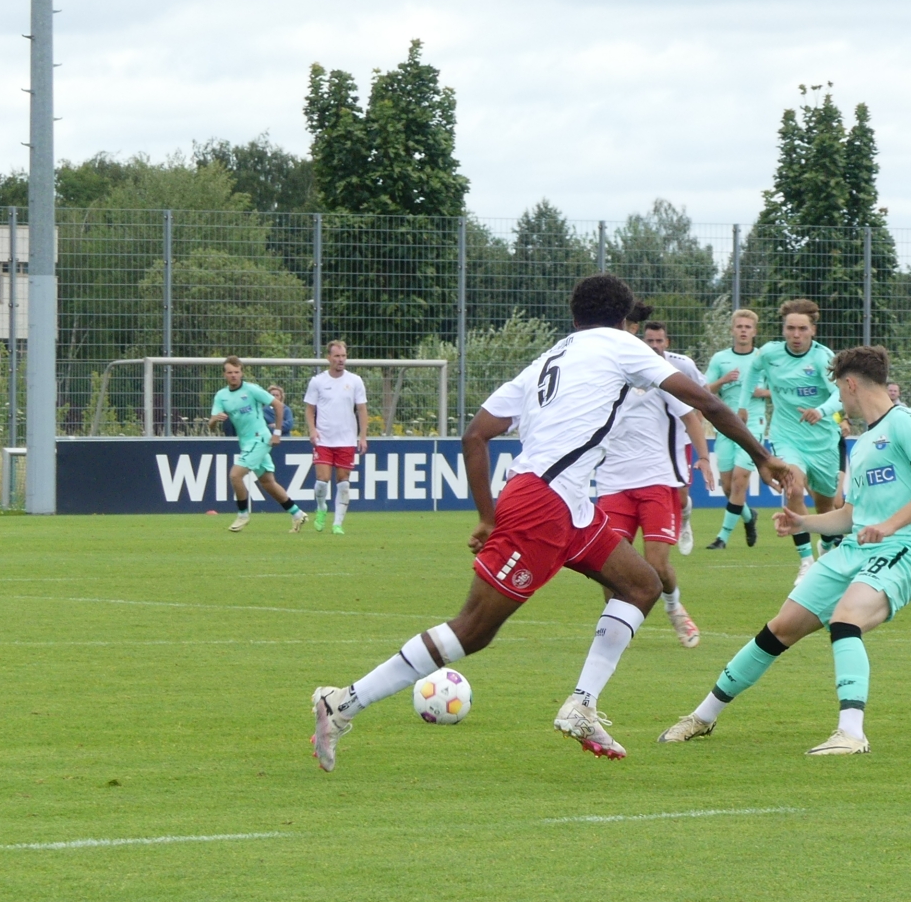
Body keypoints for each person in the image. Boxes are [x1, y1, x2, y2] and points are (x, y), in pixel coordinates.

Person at [310, 274, 790, 769]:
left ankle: (582, 704)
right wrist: (762, 457)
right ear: (623, 321)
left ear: (575, 316)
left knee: (641, 585)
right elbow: (706, 402)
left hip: (570, 504)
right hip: (542, 505)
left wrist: (486, 516)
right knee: (473, 629)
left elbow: (475, 436)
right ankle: (342, 703)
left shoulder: (547, 360)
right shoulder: (621, 345)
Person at [658, 344, 911, 756]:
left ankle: (851, 734)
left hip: (905, 547)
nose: (839, 401)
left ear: (850, 385)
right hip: (856, 549)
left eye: (838, 391)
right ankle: (702, 717)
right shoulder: (862, 443)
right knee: (781, 627)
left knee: (846, 619)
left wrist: (889, 526)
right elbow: (852, 515)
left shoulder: (905, 422)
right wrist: (804, 523)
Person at [593, 314, 710, 648]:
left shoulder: (658, 376)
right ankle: (616, 628)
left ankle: (674, 608)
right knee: (609, 568)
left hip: (656, 480)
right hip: (613, 484)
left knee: (657, 565)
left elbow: (691, 416)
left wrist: (703, 456)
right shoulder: (602, 378)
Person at [740, 298, 842, 577]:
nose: (796, 335)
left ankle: (826, 546)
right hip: (786, 437)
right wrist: (741, 405)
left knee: (826, 507)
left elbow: (839, 394)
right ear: (783, 329)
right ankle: (806, 562)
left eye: (802, 329)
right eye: (790, 328)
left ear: (813, 331)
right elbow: (751, 373)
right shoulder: (769, 353)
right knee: (794, 489)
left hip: (823, 442)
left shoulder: (822, 358)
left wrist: (820, 411)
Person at [637, 319, 711, 556]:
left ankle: (685, 521)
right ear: (643, 342)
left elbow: (705, 393)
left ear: (667, 342)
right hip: (647, 442)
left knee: (680, 497)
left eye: (659, 341)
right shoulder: (634, 365)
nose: (655, 345)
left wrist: (697, 419)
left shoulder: (682, 364)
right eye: (650, 341)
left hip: (679, 439)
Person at [210, 358, 308, 533]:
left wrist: (277, 433)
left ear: (241, 373)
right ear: (224, 374)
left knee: (235, 475)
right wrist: (215, 420)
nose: (233, 375)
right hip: (246, 442)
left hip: (260, 438)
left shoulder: (251, 390)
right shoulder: (221, 396)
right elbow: (211, 425)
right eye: (230, 372)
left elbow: (278, 406)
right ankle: (297, 513)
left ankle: (242, 514)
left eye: (236, 372)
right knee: (268, 482)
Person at [703, 308, 765, 550]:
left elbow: (778, 389)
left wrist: (761, 392)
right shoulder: (720, 359)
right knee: (728, 487)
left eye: (748, 327)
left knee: (740, 481)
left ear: (754, 331)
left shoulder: (762, 358)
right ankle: (749, 516)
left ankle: (722, 538)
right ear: (732, 330)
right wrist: (723, 380)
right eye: (739, 326)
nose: (743, 331)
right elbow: (704, 390)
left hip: (753, 425)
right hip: (725, 426)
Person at [303, 339, 368, 535]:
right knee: (322, 480)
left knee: (344, 482)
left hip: (346, 439)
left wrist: (363, 436)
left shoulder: (355, 381)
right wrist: (312, 430)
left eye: (343, 356)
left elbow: (362, 409)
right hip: (324, 438)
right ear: (328, 358)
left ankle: (337, 523)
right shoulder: (318, 381)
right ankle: (321, 508)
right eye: (337, 356)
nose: (341, 360)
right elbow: (309, 409)